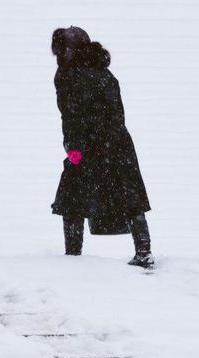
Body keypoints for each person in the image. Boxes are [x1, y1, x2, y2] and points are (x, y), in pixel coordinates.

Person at [50, 26, 154, 267]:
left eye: (61, 51)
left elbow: (71, 114)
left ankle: (72, 255)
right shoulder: (104, 72)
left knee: (72, 195)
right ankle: (144, 251)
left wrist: (74, 145)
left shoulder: (68, 75)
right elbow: (116, 112)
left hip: (89, 143)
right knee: (130, 194)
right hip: (116, 141)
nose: (58, 56)